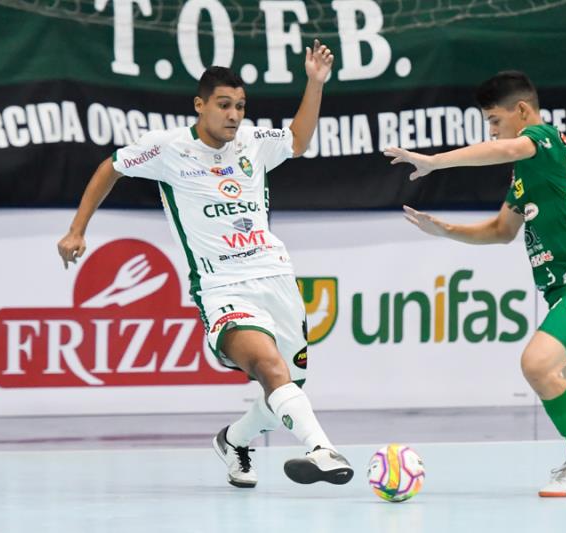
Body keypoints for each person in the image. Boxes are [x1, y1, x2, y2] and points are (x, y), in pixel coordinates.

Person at [57, 41, 353, 489]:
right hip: (223, 289)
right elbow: (111, 167)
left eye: (240, 106)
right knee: (272, 369)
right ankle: (321, 449)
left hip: (276, 279)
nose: (234, 115)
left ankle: (234, 441)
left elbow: (297, 139)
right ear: (200, 105)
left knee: (289, 385)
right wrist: (78, 230)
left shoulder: (253, 143)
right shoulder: (167, 148)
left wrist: (315, 83)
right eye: (224, 105)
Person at [385, 71, 566, 497]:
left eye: (495, 121)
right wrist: (445, 231)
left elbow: (504, 148)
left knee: (538, 365)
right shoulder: (528, 173)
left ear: (522, 111)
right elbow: (502, 230)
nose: (494, 132)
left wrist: (434, 161)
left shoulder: (546, 139)